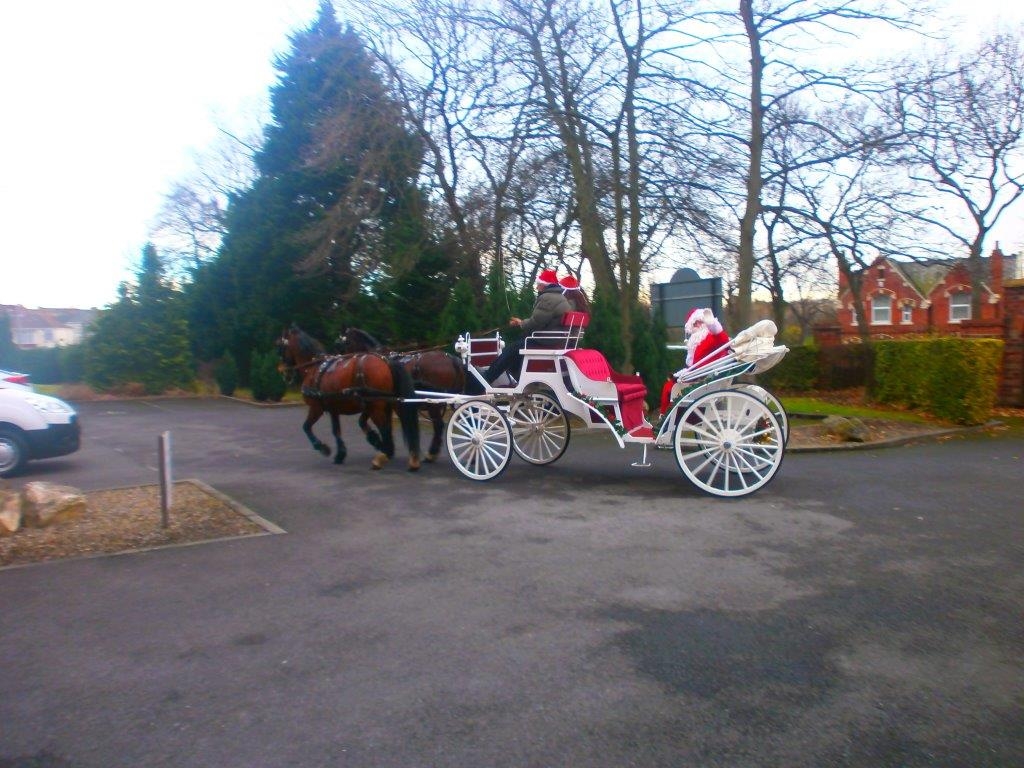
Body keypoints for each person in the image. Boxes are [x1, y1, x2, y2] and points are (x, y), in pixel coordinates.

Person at [484, 268, 571, 385]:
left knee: (510, 350)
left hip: (545, 341)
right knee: (516, 349)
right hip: (555, 339)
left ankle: (488, 377)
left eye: (538, 284)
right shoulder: (561, 298)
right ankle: (520, 380)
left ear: (544, 285)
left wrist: (520, 323)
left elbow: (535, 323)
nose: (536, 287)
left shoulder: (548, 298)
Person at [659, 307, 731, 414]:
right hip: (696, 375)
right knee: (668, 386)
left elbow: (722, 338)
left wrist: (712, 323)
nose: (698, 325)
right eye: (695, 323)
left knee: (670, 387)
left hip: (703, 379)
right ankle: (664, 417)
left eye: (700, 322)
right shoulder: (695, 341)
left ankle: (666, 420)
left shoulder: (711, 336)